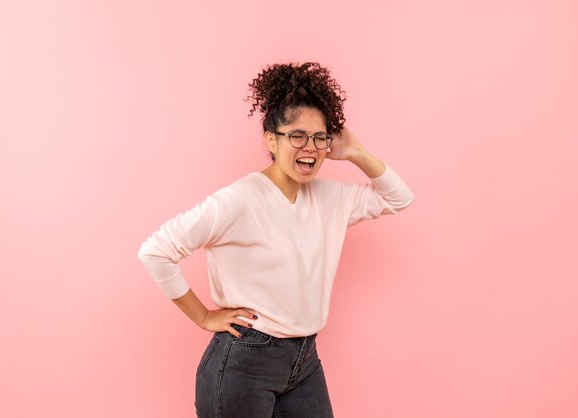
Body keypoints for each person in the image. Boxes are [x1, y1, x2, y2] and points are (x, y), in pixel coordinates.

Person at [137, 61, 415, 418]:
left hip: (305, 360)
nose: (310, 147)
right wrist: (204, 317)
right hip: (245, 361)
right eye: (297, 135)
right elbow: (155, 252)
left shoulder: (331, 197)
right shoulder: (239, 200)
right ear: (271, 139)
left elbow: (400, 198)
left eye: (320, 137)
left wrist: (356, 152)